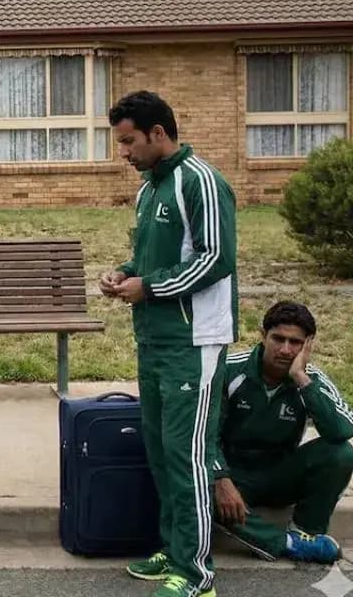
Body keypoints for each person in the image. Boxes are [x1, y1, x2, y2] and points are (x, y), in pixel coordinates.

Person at [100, 90, 237, 597]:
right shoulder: (148, 189)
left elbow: (216, 258)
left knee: (187, 456)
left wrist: (150, 287)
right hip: (153, 338)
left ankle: (197, 574)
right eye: (120, 142)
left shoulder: (200, 181)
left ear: (159, 133)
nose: (124, 152)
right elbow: (149, 258)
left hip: (194, 341)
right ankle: (173, 548)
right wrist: (125, 274)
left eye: (129, 141)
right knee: (159, 452)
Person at [212, 301, 352, 565]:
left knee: (340, 453)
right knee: (193, 487)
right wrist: (220, 478)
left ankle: (306, 533)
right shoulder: (229, 369)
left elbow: (342, 429)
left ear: (308, 345)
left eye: (295, 342)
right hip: (233, 475)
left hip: (280, 474)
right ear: (263, 335)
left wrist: (301, 378)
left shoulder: (310, 378)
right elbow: (204, 434)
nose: (285, 349)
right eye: (278, 339)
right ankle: (285, 544)